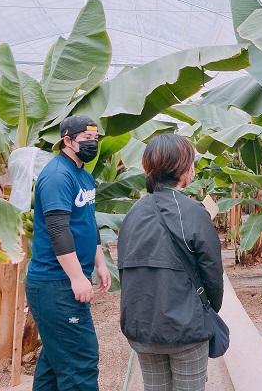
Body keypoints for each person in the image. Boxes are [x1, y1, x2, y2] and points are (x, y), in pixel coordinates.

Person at [118, 133, 223, 391]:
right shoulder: (192, 211)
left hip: (142, 326)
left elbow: (125, 267)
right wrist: (207, 310)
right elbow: (212, 272)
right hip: (185, 328)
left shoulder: (134, 213)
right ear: (182, 168)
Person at [26, 115, 111, 391]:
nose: (93, 144)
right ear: (67, 140)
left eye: (95, 139)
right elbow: (58, 230)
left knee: (54, 362)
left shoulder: (84, 176)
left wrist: (100, 263)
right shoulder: (56, 176)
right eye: (86, 139)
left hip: (63, 283)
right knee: (80, 361)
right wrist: (76, 277)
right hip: (55, 284)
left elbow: (88, 222)